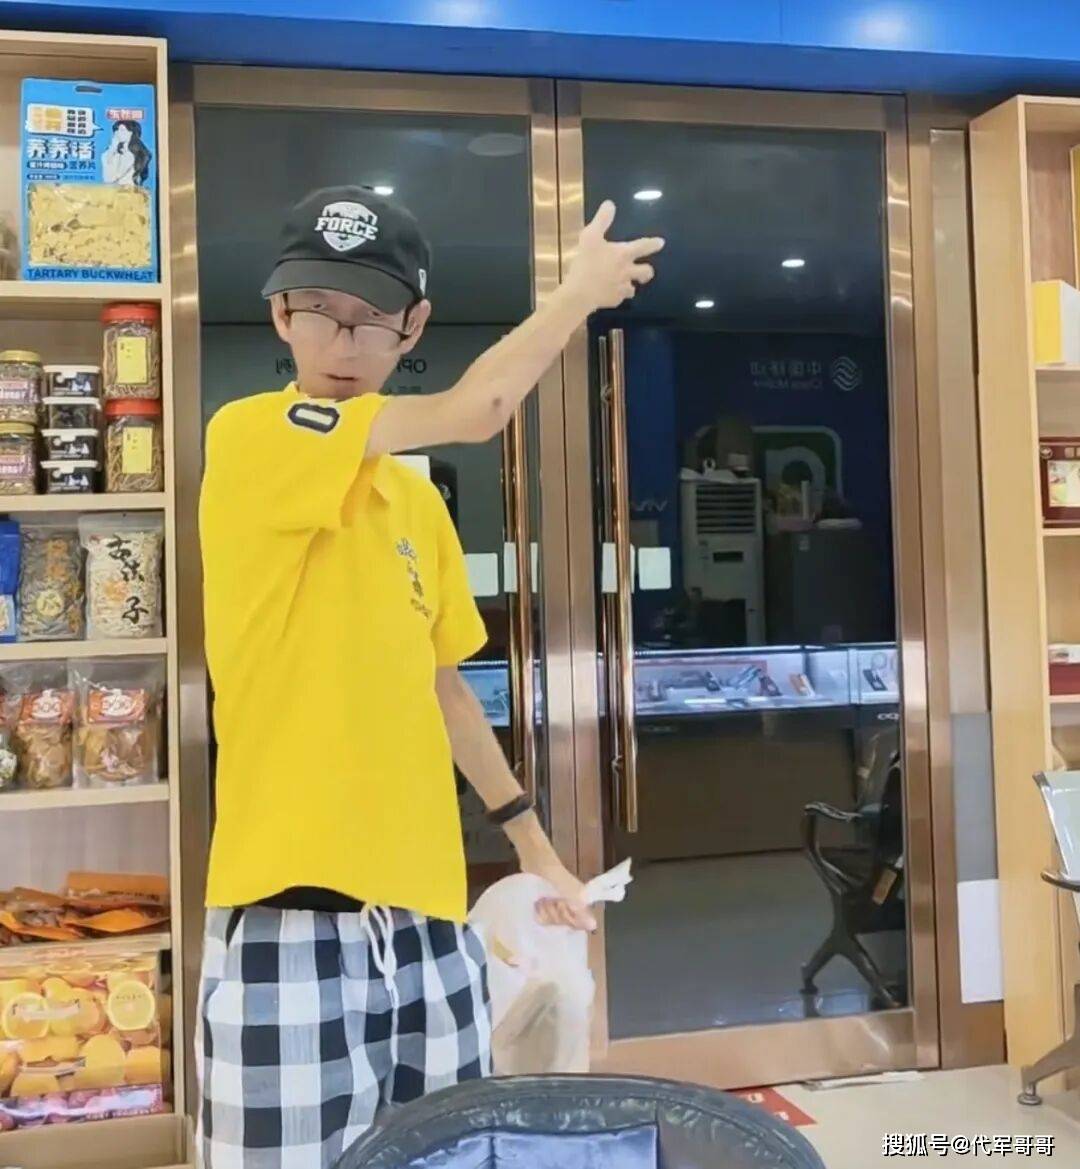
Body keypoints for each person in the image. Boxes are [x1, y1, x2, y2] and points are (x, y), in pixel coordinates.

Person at [196, 185, 663, 1169]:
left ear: (413, 328)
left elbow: (444, 689)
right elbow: (478, 410)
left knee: (441, 1157)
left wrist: (536, 849)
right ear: (280, 313)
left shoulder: (416, 505)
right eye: (320, 308)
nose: (343, 339)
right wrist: (577, 295)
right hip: (288, 913)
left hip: (429, 915)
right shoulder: (249, 436)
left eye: (373, 316)